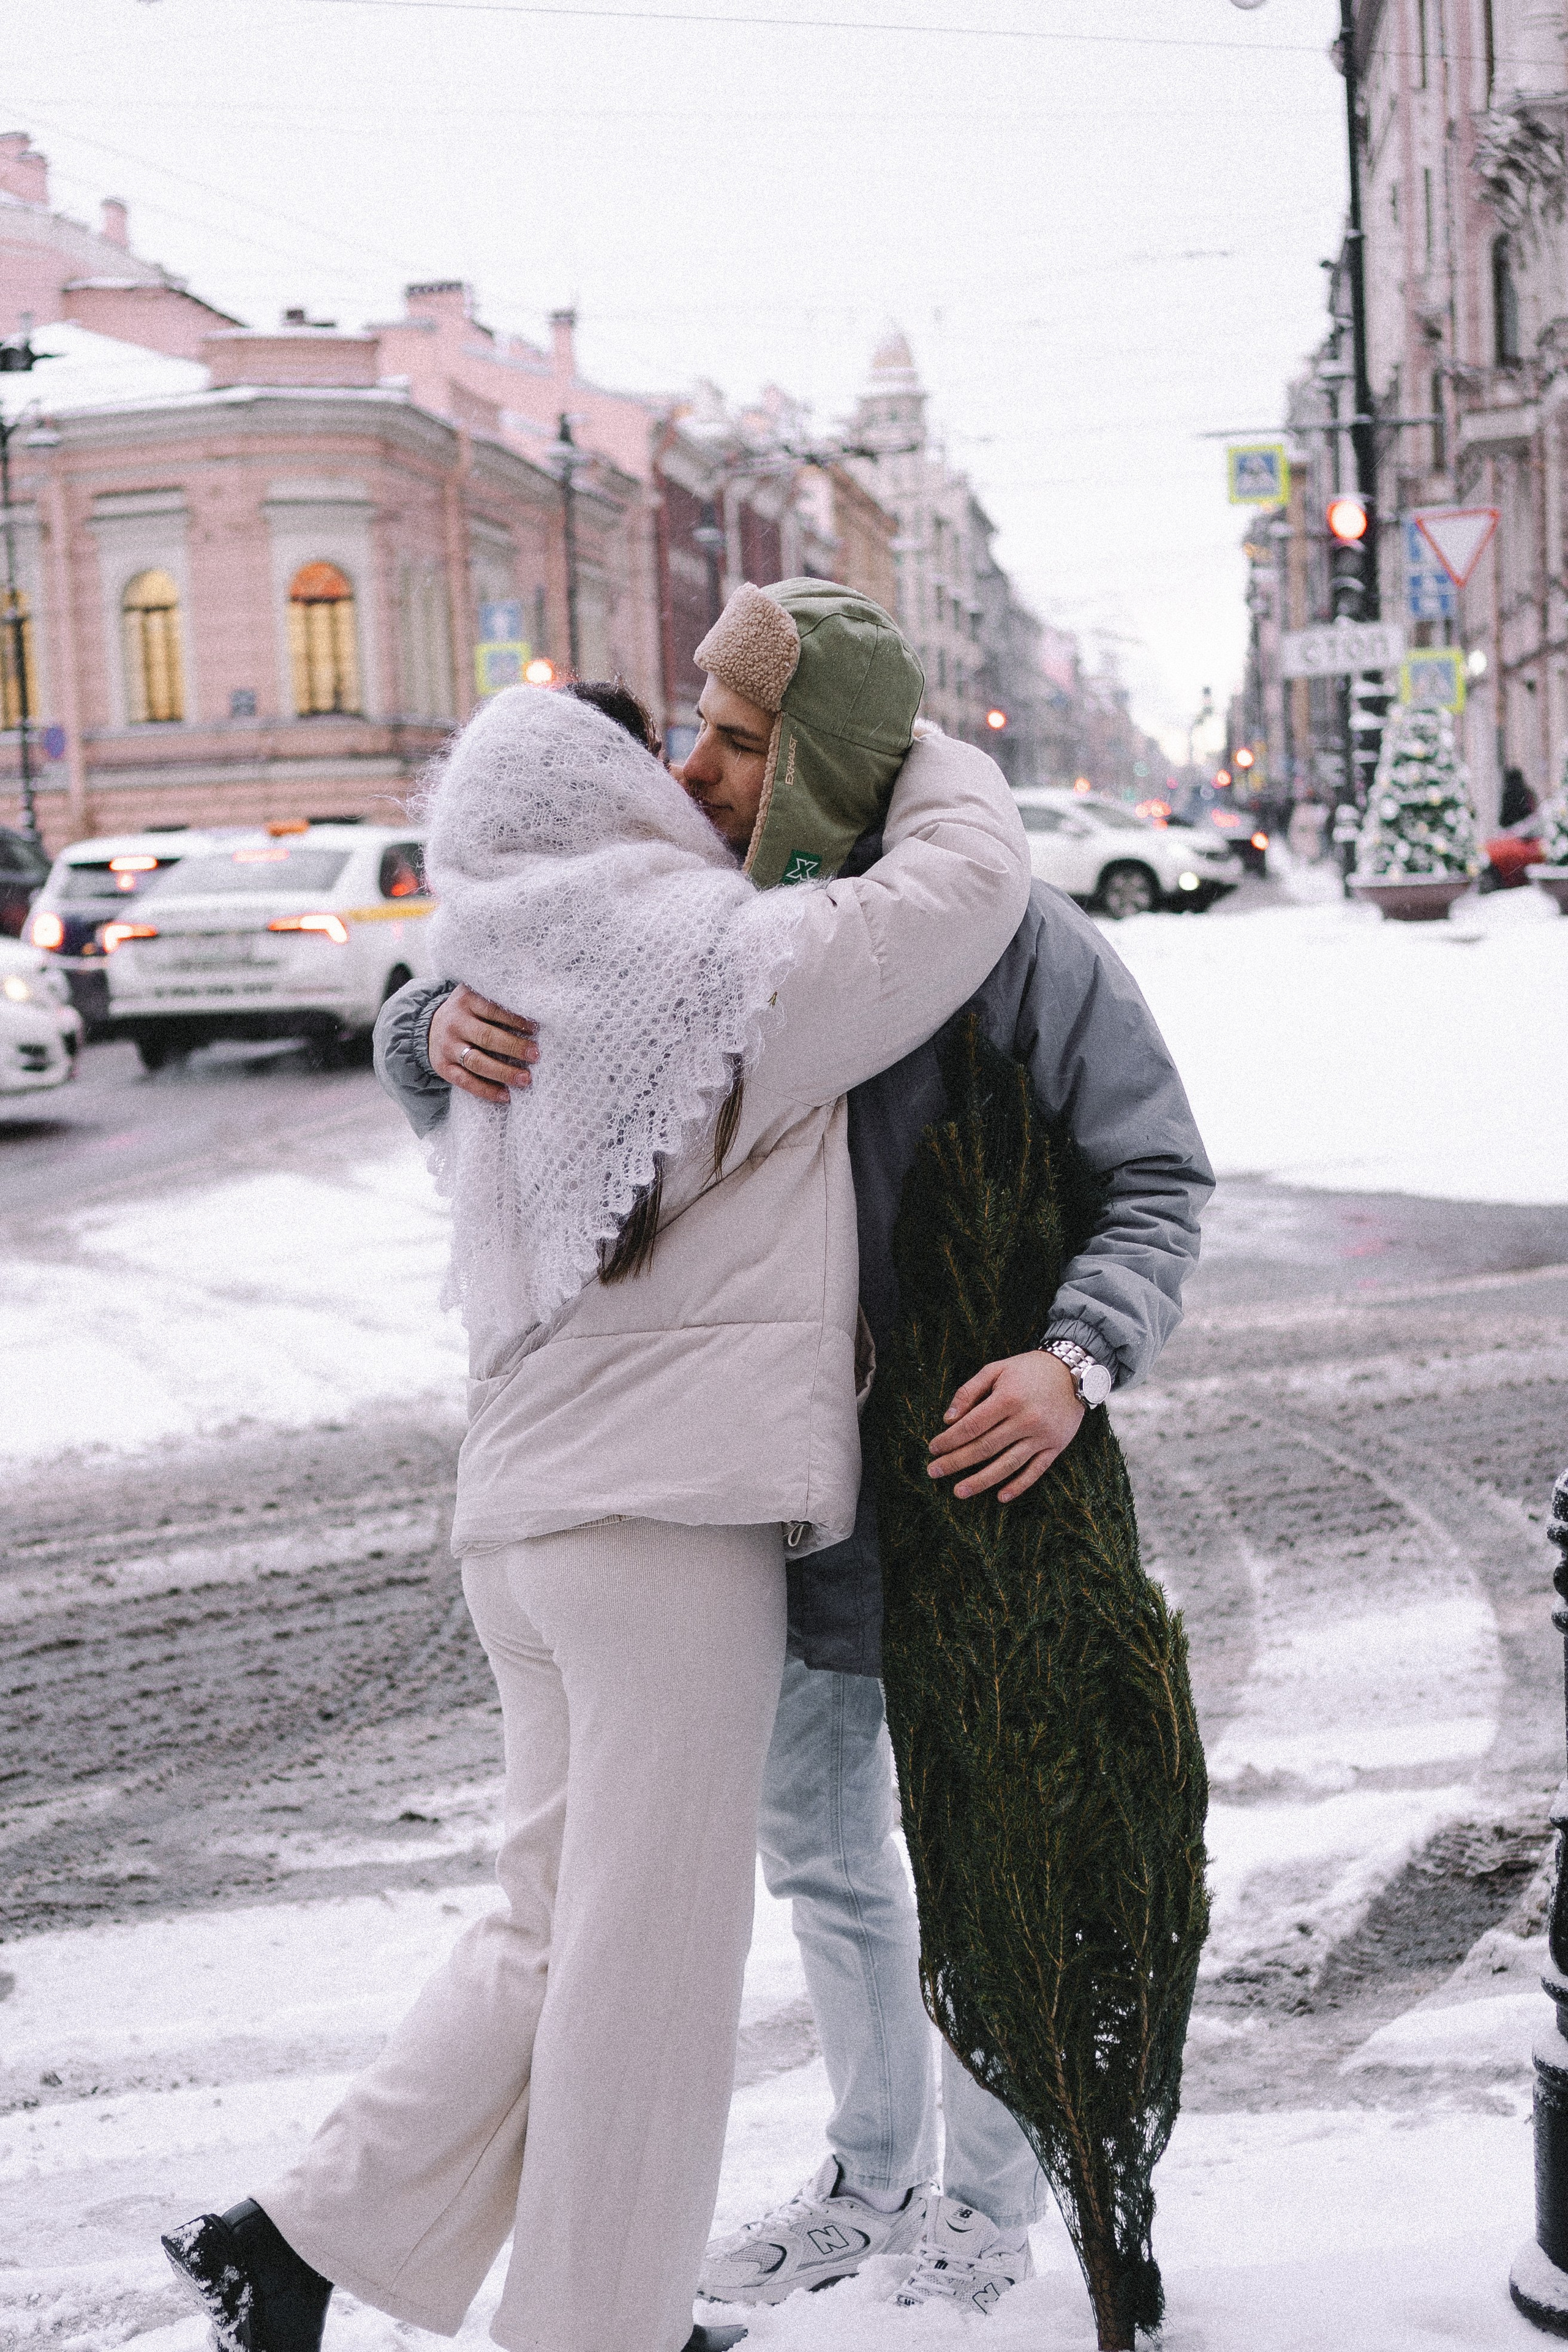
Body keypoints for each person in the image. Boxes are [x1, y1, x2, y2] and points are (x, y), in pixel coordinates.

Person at [160, 627, 1032, 2352]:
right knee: (653, 1973)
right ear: (622, 799)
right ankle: (596, 2331)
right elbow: (973, 882)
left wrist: (416, 1019)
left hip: (525, 1529)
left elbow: (433, 1051)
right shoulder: (733, 974)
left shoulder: (498, 970)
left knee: (554, 1924)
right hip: (665, 1537)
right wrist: (901, 740)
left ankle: (296, 2235)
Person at [376, 580, 1213, 2322]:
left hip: (983, 1495)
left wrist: (1074, 1361)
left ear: (824, 751)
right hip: (752, 1513)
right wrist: (420, 1027)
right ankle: (871, 2169)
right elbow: (499, 990)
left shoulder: (1014, 947)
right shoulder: (693, 919)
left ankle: (983, 2208)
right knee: (821, 1860)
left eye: (742, 738)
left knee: (987, 1842)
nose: (698, 768)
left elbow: (1156, 1176)